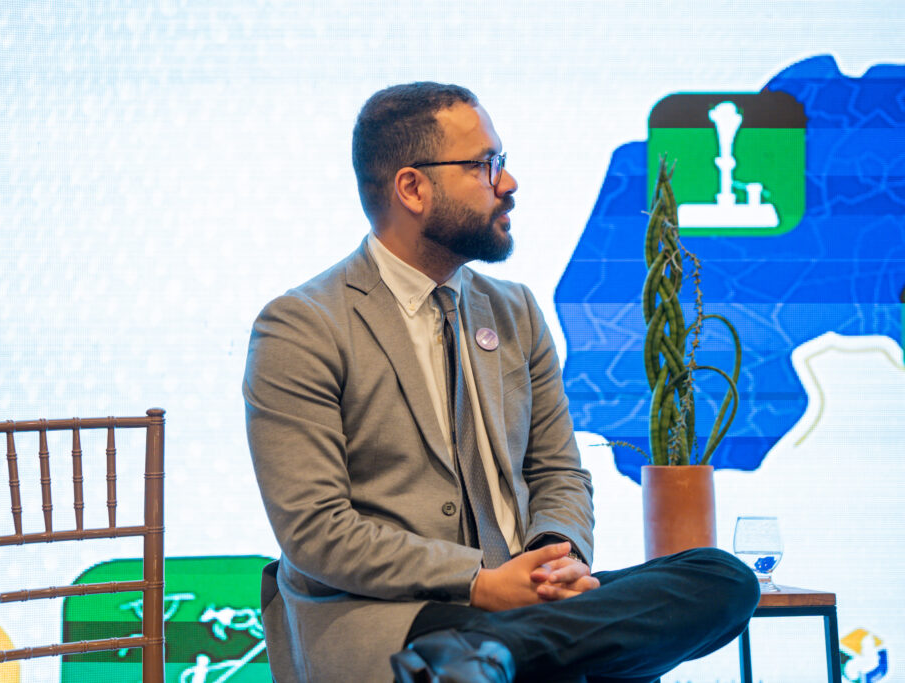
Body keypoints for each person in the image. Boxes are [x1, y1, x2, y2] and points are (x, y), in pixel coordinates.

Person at [243, 82, 759, 683]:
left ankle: (501, 654)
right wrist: (479, 583)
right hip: (391, 613)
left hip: (520, 598)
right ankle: (517, 650)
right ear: (412, 188)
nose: (507, 183)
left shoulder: (515, 311)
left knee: (720, 579)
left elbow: (559, 473)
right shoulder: (302, 325)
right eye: (484, 165)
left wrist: (554, 561)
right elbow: (317, 532)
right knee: (570, 649)